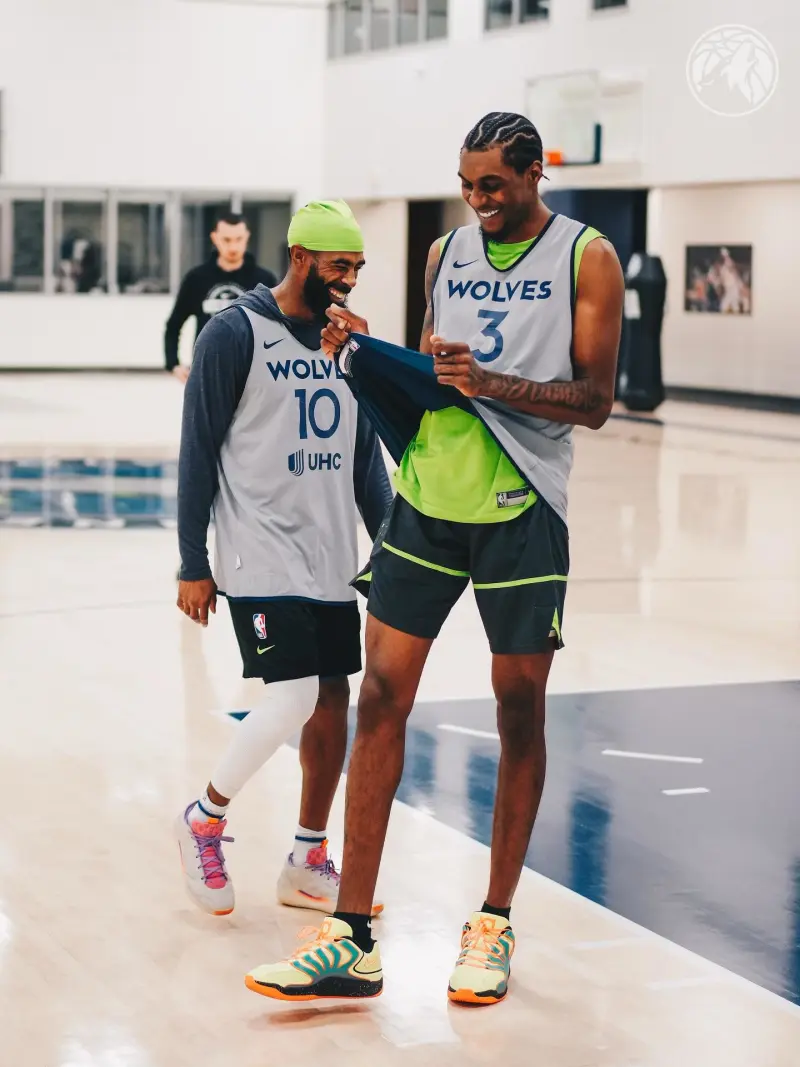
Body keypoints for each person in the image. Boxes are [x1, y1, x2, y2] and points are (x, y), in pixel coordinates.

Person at [245, 113, 624, 1005]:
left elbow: (598, 400)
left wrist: (487, 380)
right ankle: (352, 934)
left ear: (535, 172)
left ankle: (491, 920)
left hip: (522, 507)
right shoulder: (445, 255)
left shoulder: (587, 257)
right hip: (428, 498)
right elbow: (431, 373)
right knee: (380, 693)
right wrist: (371, 360)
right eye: (467, 183)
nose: (476, 199)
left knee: (518, 705)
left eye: (493, 183)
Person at [175, 200, 392, 919]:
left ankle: (305, 857)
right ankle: (204, 817)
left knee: (335, 699)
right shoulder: (233, 332)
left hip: (331, 552)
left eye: (358, 267)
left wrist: (388, 542)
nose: (351, 279)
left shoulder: (347, 341)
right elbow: (198, 449)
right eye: (340, 265)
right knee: (296, 695)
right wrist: (191, 559)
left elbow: (366, 457)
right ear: (301, 256)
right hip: (257, 548)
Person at [165, 212, 278, 382]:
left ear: (247, 237)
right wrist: (173, 364)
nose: (233, 247)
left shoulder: (264, 280)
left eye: (238, 239)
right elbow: (174, 324)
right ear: (215, 238)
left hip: (252, 373)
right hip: (207, 371)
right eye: (226, 240)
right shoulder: (196, 279)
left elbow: (279, 326)